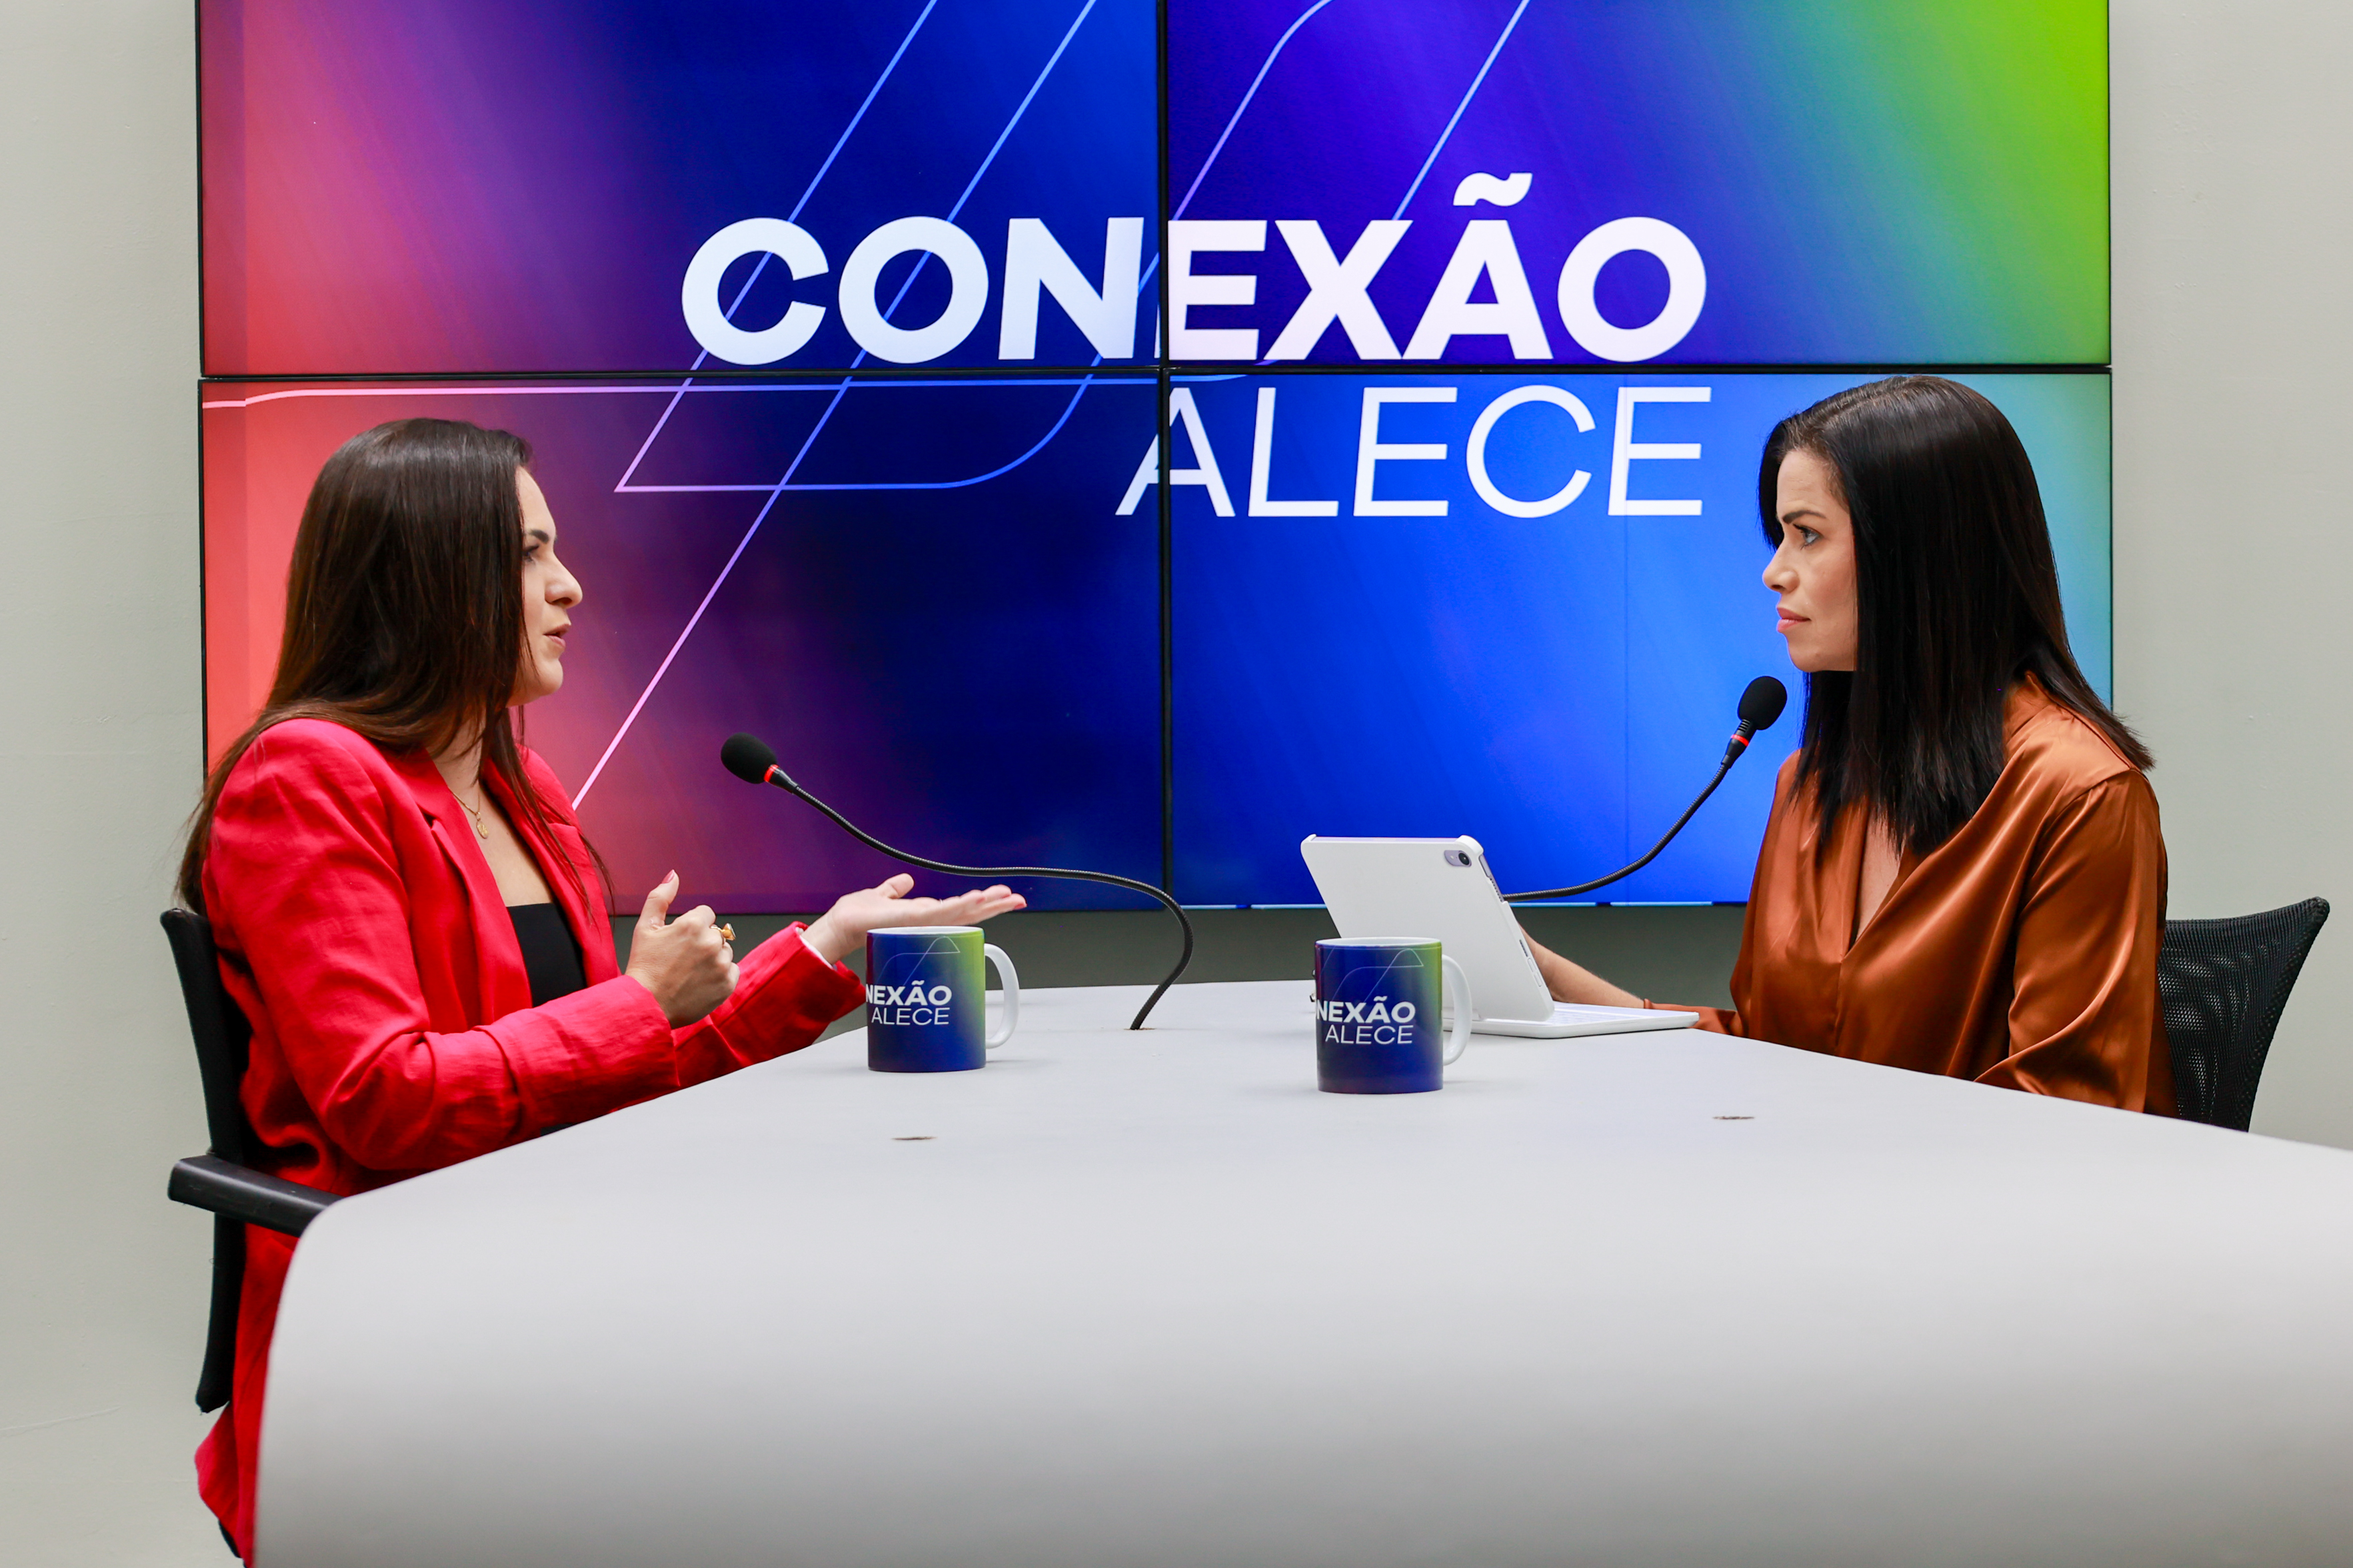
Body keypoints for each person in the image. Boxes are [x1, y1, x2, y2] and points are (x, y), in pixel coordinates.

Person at [177, 418, 1024, 1558]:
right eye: (526, 553)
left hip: (547, 1275)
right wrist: (641, 1002)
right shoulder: (306, 775)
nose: (568, 585)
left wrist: (826, 949)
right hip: (401, 1317)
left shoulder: (523, 786)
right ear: (427, 574)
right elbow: (386, 1099)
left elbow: (621, 1075)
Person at [1527, 377, 2173, 1113]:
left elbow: (2065, 1117)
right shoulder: (1808, 782)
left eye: (1806, 534)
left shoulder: (2081, 794)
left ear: (1921, 554)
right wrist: (1537, 972)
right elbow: (1767, 1054)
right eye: (1780, 535)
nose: (1774, 570)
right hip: (1809, 1177)